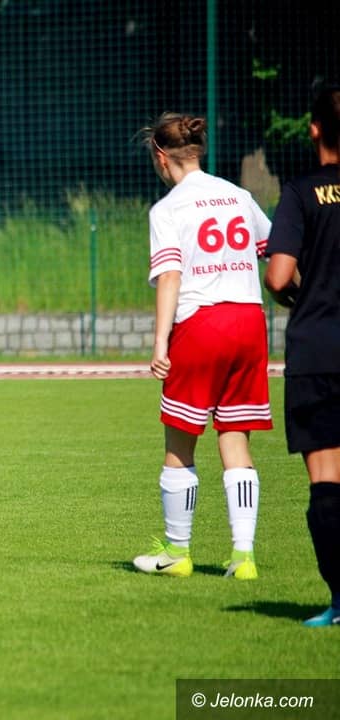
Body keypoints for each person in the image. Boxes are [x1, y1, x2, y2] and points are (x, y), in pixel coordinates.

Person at [130, 114, 272, 578]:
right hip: (249, 321)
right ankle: (244, 557)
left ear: (161, 156)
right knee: (235, 437)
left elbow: (171, 275)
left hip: (202, 323)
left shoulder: (168, 208)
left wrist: (160, 342)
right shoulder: (238, 195)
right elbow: (272, 250)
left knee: (180, 441)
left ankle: (178, 552)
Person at [264, 84, 340, 627]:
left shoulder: (300, 192)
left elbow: (278, 276)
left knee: (327, 484)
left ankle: (339, 602)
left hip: (317, 350)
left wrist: (302, 294)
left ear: (314, 129)